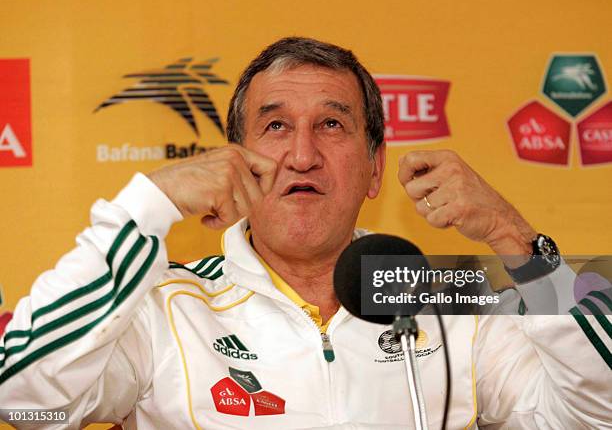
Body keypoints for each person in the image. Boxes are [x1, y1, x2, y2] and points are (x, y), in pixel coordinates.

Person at [0, 37, 610, 429]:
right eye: (274, 126)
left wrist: (515, 240)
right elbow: (22, 395)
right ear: (233, 163)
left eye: (332, 125)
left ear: (374, 169)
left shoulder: (448, 298)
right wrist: (146, 206)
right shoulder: (165, 304)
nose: (302, 154)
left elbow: (599, 410)